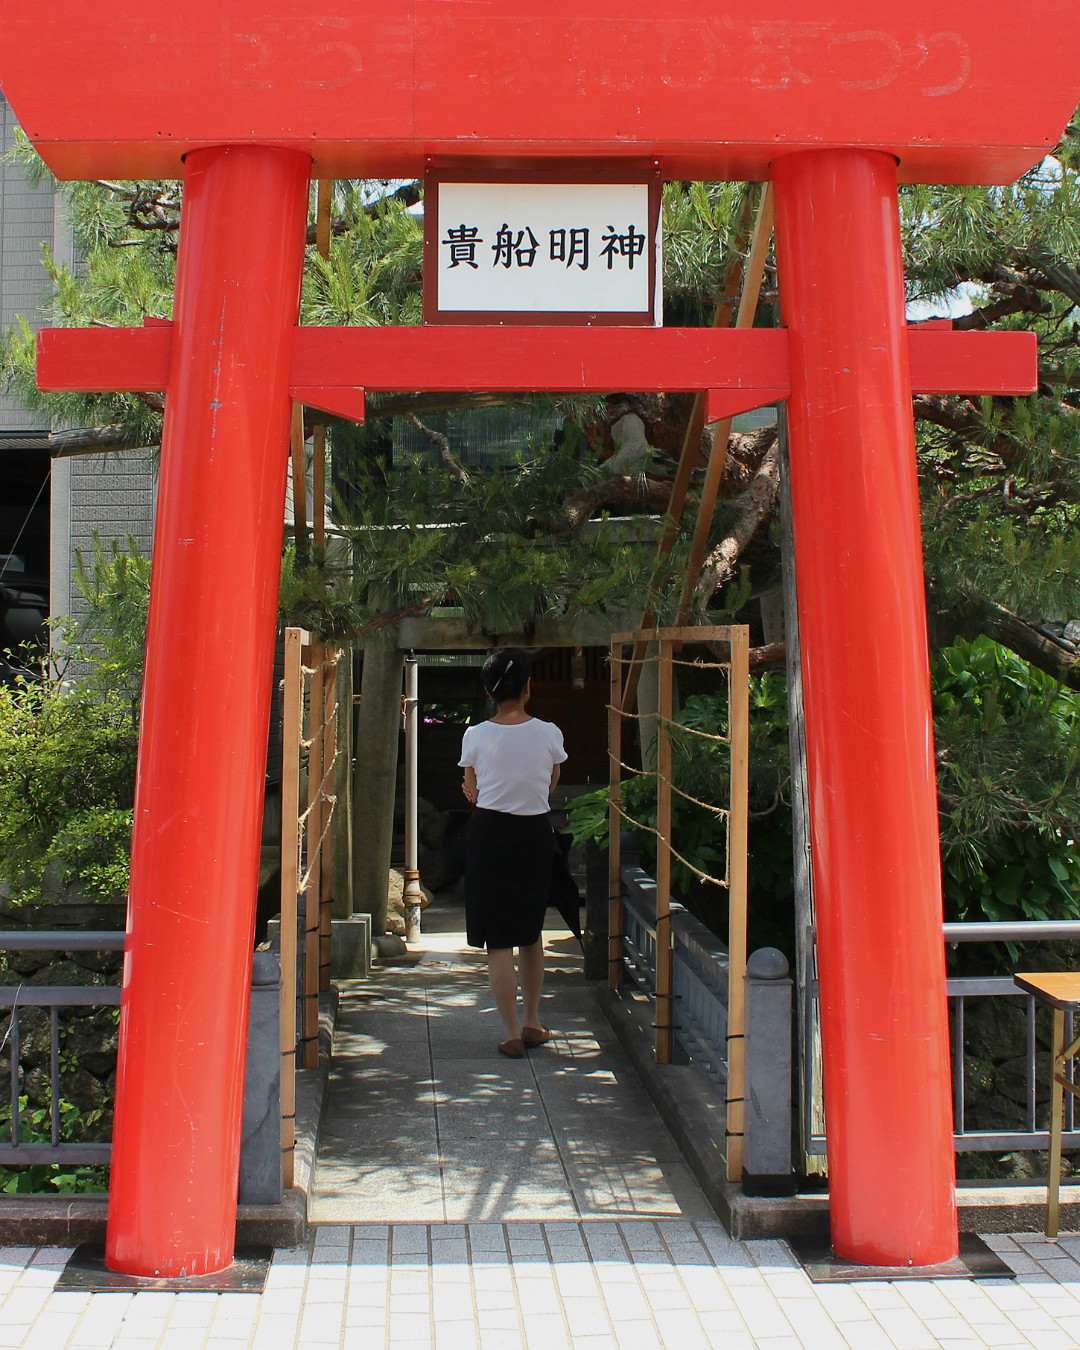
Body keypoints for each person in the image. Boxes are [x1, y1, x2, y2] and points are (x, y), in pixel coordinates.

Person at [458, 648, 567, 1058]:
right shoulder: (550, 732)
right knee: (531, 932)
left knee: (499, 941)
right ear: (527, 688)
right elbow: (551, 779)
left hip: (489, 832)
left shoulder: (475, 735)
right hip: (534, 832)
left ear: (489, 691)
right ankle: (534, 1020)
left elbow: (472, 787)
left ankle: (510, 1033)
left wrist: (483, 790)